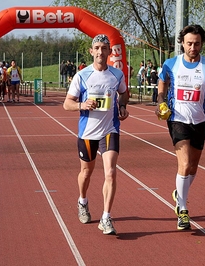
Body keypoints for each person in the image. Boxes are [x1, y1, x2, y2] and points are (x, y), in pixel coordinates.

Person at [155, 25, 205, 230]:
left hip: (200, 121)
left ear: (202, 44)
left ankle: (179, 192)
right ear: (182, 43)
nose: (193, 47)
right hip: (177, 119)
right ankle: (182, 210)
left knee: (193, 167)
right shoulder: (171, 64)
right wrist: (160, 103)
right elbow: (162, 84)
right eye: (189, 43)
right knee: (184, 164)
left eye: (197, 43)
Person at [63, 34, 129, 235]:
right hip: (88, 132)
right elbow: (67, 103)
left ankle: (106, 217)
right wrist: (82, 105)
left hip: (110, 130)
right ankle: (82, 201)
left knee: (110, 172)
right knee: (86, 172)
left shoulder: (117, 75)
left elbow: (124, 92)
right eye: (97, 48)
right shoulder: (82, 76)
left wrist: (123, 106)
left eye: (104, 48)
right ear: (92, 51)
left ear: (109, 51)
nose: (101, 52)